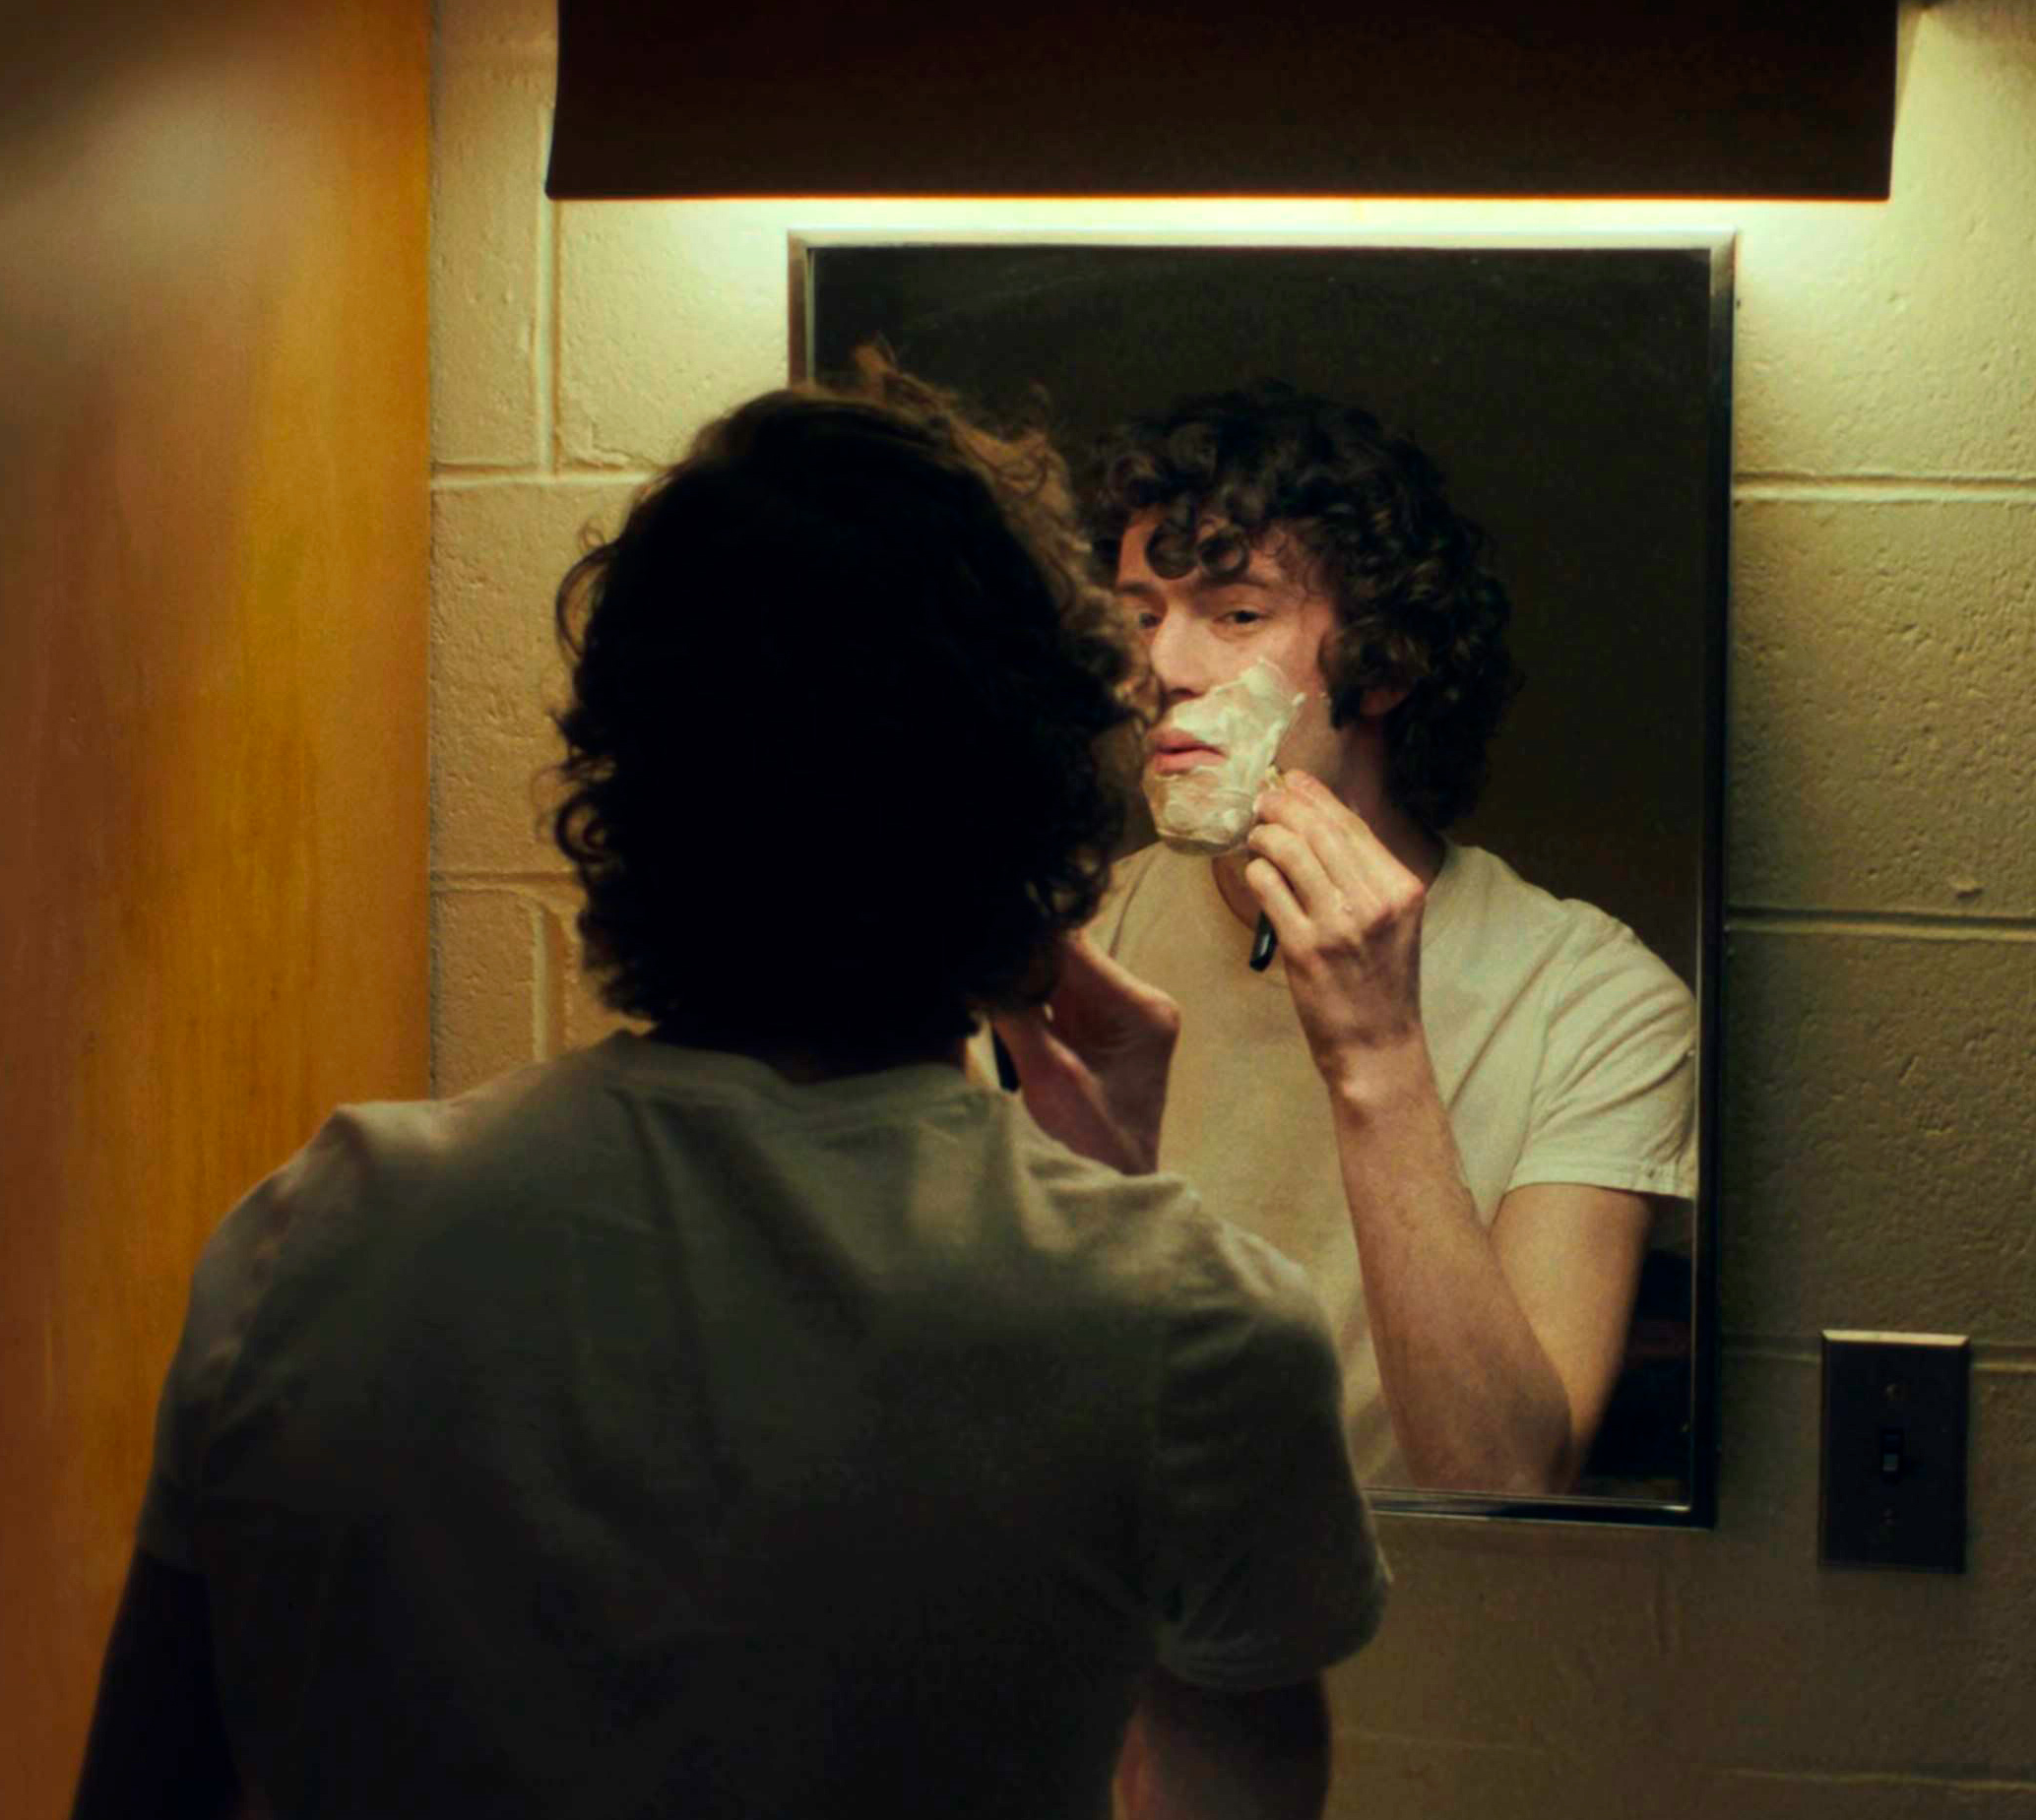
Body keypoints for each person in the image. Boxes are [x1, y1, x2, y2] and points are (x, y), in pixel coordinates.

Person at [71, 380, 1386, 1820]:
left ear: (626, 782)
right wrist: (1119, 1242)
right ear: (1039, 800)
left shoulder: (315, 1240)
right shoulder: (1196, 1335)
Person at [1081, 383, 1699, 1496]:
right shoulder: (1073, 945)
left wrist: (1376, 1051)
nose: (1163, 666)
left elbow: (1505, 1477)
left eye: (1235, 614)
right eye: (1139, 615)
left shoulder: (1595, 1002)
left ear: (1383, 666)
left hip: (1430, 1601)